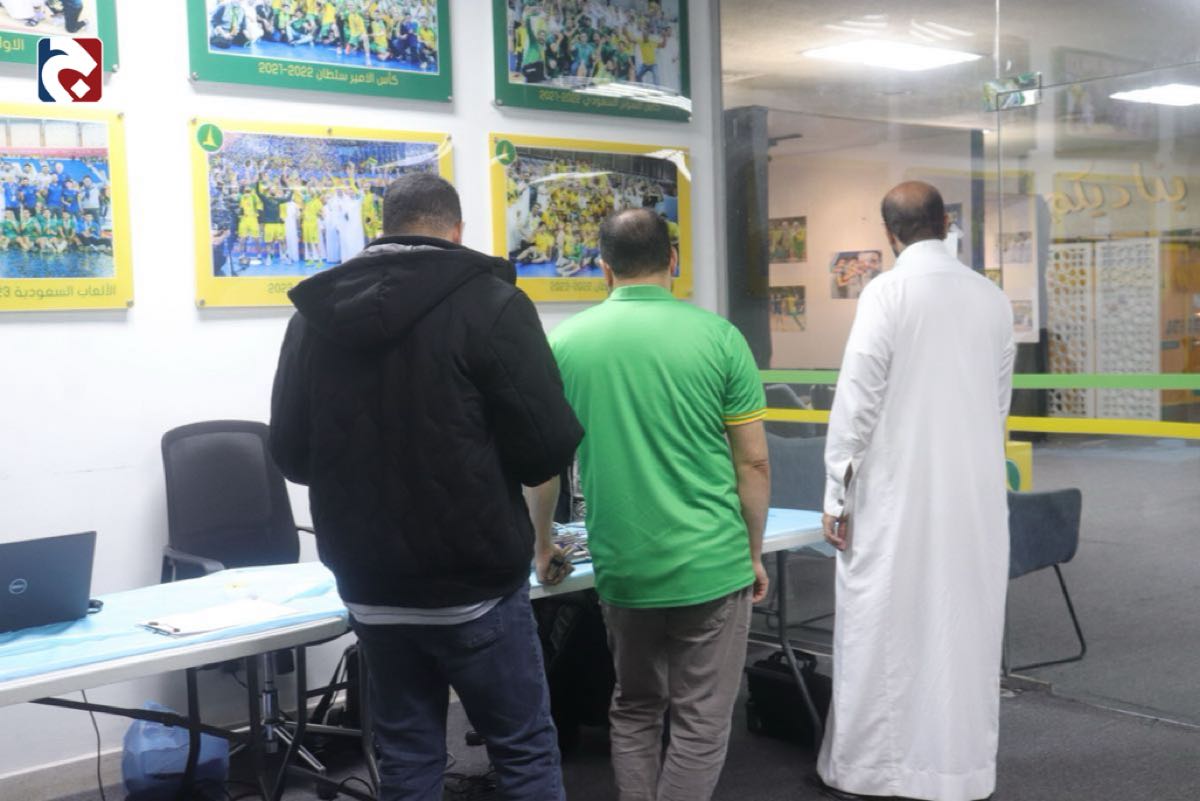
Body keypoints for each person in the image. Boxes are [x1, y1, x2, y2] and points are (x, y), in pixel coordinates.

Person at [269, 173, 583, 801]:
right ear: (457, 230)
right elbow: (546, 450)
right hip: (475, 583)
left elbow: (293, 458)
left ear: (381, 227)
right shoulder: (492, 304)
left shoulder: (313, 318)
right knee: (522, 750)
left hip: (371, 586)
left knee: (406, 754)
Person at [531, 209, 771, 801]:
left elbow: (542, 467)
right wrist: (753, 553)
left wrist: (543, 544)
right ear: (673, 260)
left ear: (604, 270)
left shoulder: (564, 343)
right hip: (713, 562)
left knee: (635, 707)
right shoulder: (720, 337)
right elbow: (753, 464)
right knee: (701, 720)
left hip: (623, 565)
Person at [816, 182, 1015, 801]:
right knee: (961, 626)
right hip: (973, 495)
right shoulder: (991, 297)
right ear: (945, 222)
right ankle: (959, 770)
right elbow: (998, 404)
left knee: (883, 625)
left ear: (889, 233)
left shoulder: (887, 293)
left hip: (894, 495)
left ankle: (874, 769)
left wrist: (837, 493)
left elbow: (857, 401)